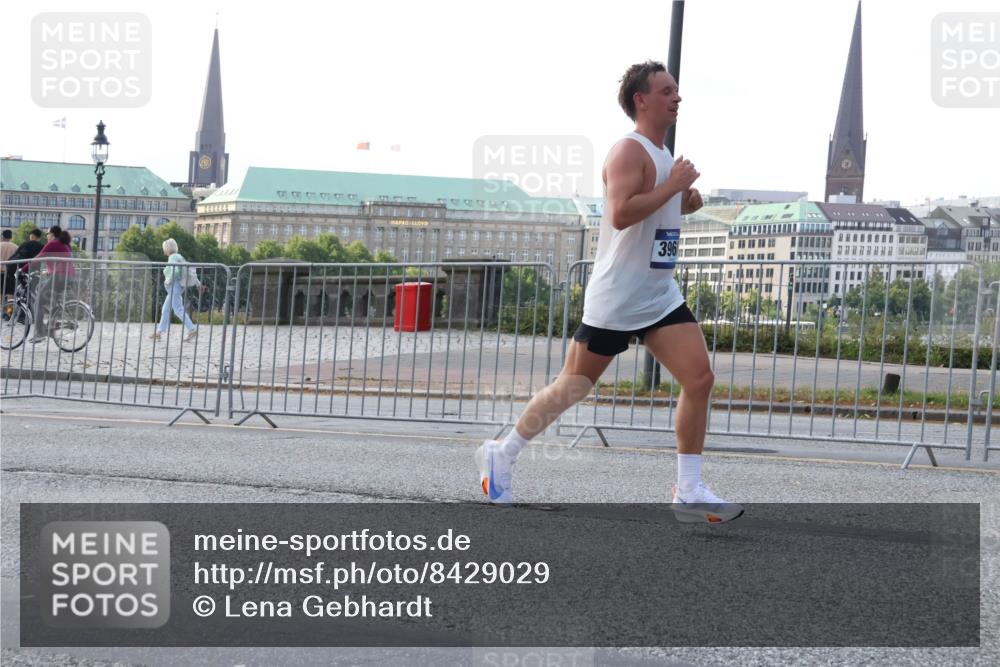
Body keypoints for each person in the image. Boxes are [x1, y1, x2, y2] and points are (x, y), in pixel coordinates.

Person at [475, 61, 743, 523]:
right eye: (667, 91)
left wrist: (684, 201)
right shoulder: (627, 150)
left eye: (676, 90)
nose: (677, 97)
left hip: (658, 295)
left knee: (700, 379)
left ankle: (688, 489)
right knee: (573, 386)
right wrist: (674, 186)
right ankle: (504, 452)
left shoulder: (663, 154)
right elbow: (621, 214)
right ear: (642, 100)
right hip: (618, 297)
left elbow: (654, 210)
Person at [28, 226, 76, 343]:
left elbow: (39, 257)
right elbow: (61, 262)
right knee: (42, 288)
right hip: (69, 277)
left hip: (59, 277)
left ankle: (40, 333)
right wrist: (48, 272)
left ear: (52, 234)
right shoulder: (65, 244)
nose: (47, 236)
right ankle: (52, 323)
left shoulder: (53, 243)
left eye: (47, 233)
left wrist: (22, 268)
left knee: (38, 302)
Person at [151, 238, 198, 342]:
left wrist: (169, 279)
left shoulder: (172, 257)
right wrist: (198, 283)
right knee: (166, 309)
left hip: (174, 286)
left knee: (177, 309)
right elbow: (189, 271)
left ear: (167, 248)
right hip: (178, 286)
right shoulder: (180, 257)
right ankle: (159, 332)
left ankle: (192, 329)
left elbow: (176, 270)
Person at [0, 230, 17, 296]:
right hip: (10, 274)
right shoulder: (15, 247)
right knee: (10, 295)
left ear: (2, 236)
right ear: (11, 237)